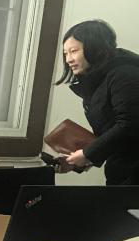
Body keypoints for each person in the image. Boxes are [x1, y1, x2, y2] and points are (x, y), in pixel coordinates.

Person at [57, 19, 139, 185]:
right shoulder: (97, 82)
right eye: (65, 53)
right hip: (122, 170)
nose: (68, 59)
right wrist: (81, 160)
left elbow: (130, 124)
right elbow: (114, 133)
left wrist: (87, 154)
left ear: (95, 48)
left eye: (74, 51)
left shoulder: (125, 74)